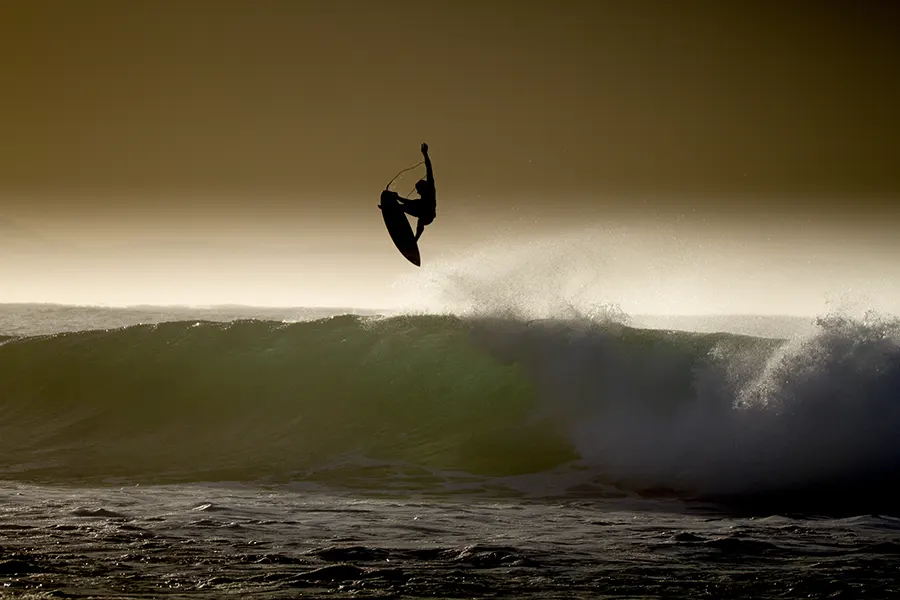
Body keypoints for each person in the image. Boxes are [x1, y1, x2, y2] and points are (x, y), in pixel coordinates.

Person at [396, 143, 436, 242]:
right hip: (422, 211)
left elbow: (429, 169)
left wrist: (425, 154)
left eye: (418, 190)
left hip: (428, 215)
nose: (418, 192)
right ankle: (389, 208)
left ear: (423, 187)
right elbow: (409, 203)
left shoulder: (430, 189)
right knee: (402, 206)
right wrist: (395, 198)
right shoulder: (421, 200)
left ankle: (415, 239)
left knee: (418, 213)